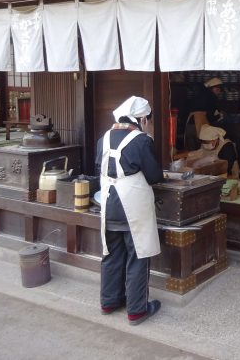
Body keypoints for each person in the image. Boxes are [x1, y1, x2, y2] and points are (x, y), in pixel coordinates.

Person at [95, 96, 163, 326]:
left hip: (108, 203)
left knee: (112, 253)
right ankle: (137, 310)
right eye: (148, 120)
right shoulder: (141, 140)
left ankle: (109, 301)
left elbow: (100, 167)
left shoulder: (103, 138)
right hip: (132, 205)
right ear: (143, 118)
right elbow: (154, 176)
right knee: (137, 255)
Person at [184, 77, 225, 150]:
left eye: (220, 90)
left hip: (190, 125)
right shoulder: (211, 97)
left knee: (191, 151)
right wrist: (219, 116)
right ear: (212, 89)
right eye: (217, 89)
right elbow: (210, 117)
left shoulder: (201, 95)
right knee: (200, 150)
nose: (218, 92)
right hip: (198, 127)